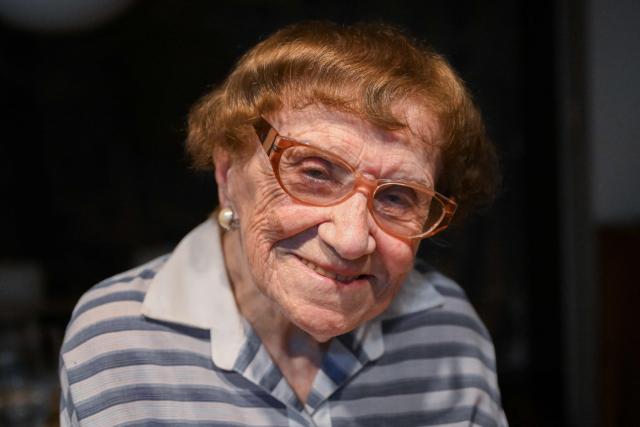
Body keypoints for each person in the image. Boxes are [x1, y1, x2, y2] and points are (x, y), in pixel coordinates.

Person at [59, 21, 507, 426]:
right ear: (228, 173)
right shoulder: (118, 338)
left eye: (396, 197)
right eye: (314, 173)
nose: (351, 241)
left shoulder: (446, 332)